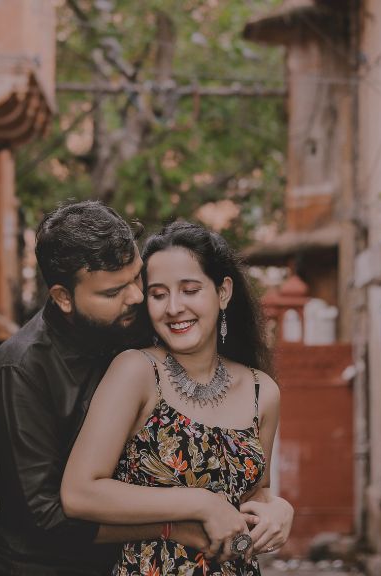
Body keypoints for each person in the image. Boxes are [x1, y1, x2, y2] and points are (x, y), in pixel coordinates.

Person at [0, 202, 291, 576]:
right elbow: (50, 512)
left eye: (137, 279)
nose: (138, 298)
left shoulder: (138, 329)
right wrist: (179, 523)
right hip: (43, 567)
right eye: (115, 291)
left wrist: (277, 508)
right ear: (64, 298)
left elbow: (250, 488)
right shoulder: (22, 367)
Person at [62, 220, 287, 576]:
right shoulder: (136, 371)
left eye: (190, 289)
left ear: (223, 292)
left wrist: (278, 510)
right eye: (159, 294)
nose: (173, 307)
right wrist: (200, 503)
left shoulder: (263, 391)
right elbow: (79, 493)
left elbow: (255, 492)